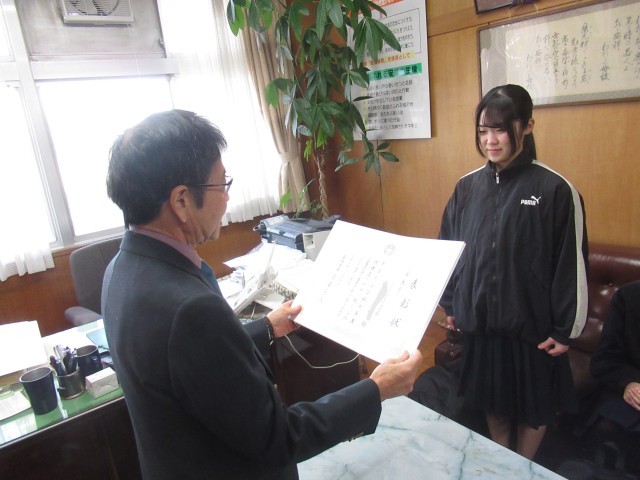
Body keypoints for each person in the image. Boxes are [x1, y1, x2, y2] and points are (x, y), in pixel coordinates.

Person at [101, 109, 422, 480]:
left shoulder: (121, 269)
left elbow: (192, 365)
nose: (226, 198)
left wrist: (267, 327)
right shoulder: (191, 310)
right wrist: (375, 389)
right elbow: (278, 437)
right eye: (221, 185)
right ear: (181, 201)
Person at [438, 84, 588, 460]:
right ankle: (503, 463)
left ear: (528, 126)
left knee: (534, 411)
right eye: (483, 131)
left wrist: (565, 330)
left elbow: (571, 263)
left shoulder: (555, 189)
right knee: (494, 404)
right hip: (483, 327)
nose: (490, 141)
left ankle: (523, 466)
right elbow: (449, 250)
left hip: (533, 330)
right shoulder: (466, 188)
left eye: (500, 130)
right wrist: (451, 303)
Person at [589, 280, 640, 469]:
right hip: (629, 384)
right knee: (608, 426)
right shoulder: (629, 297)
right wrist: (628, 383)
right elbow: (605, 358)